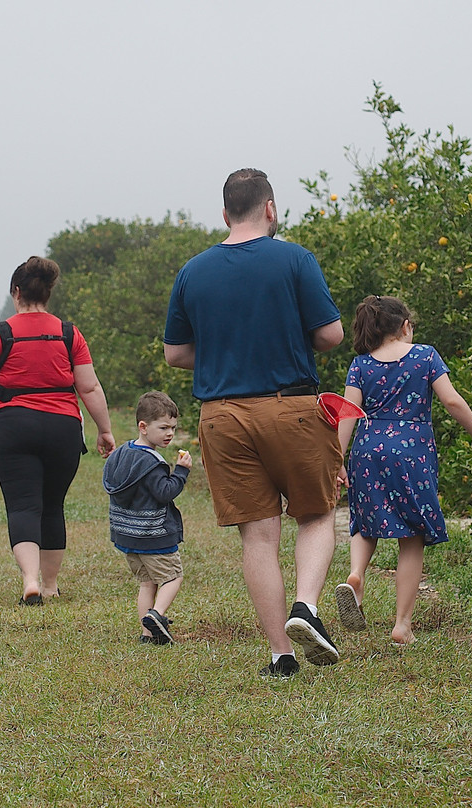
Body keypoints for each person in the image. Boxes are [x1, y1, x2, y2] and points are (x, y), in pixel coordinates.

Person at [163, 168, 345, 678]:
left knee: (257, 537)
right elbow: (330, 335)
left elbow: (176, 352)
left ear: (224, 214)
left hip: (222, 416)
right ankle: (305, 607)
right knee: (315, 513)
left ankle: (280, 656)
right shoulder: (293, 258)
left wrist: (222, 348)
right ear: (270, 209)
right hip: (290, 405)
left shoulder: (192, 271)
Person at [334, 295, 472, 646]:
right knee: (412, 534)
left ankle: (357, 576)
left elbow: (347, 412)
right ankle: (402, 625)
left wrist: (337, 460)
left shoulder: (361, 364)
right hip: (412, 452)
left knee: (364, 519)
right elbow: (451, 400)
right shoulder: (425, 355)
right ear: (405, 326)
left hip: (367, 449)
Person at [0, 256, 115, 605]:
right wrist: (104, 430)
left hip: (11, 428)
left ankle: (29, 580)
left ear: (16, 292)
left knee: (22, 506)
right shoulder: (68, 333)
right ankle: (49, 584)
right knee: (52, 506)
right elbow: (89, 388)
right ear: (48, 294)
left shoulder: (0, 333)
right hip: (62, 427)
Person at [102, 391, 192, 645]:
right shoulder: (151, 462)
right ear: (143, 426)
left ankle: (148, 636)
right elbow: (165, 492)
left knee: (147, 583)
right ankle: (157, 615)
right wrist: (182, 472)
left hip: (127, 535)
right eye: (163, 427)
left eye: (173, 428)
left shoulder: (120, 454)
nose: (170, 433)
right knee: (173, 577)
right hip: (153, 536)